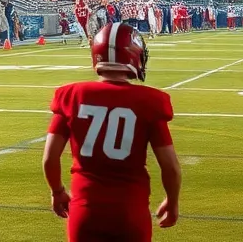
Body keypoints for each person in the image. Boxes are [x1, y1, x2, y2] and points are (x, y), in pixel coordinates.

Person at [42, 22, 181, 242]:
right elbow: (170, 165)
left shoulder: (71, 95)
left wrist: (57, 191)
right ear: (133, 55)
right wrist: (172, 201)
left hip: (85, 212)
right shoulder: (150, 101)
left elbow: (50, 157)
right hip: (130, 213)